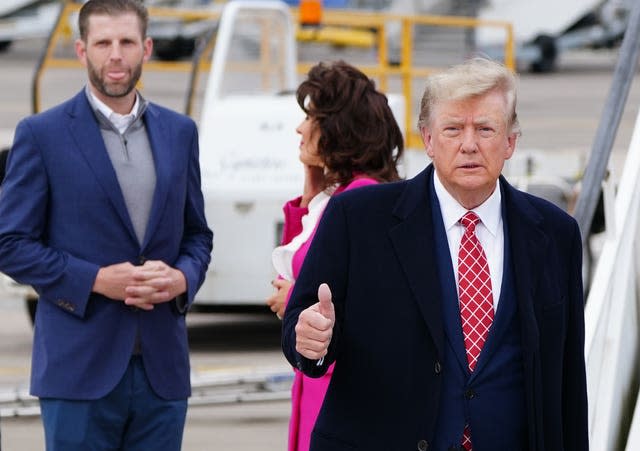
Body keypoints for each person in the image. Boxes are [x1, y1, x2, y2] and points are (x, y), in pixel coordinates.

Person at [282, 57, 588, 451]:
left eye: (485, 129)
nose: (469, 144)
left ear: (510, 141)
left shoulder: (554, 234)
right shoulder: (357, 219)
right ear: (427, 139)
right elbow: (302, 328)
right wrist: (309, 338)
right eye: (453, 129)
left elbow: (568, 380)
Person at [0, 0, 213, 449]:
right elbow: (10, 242)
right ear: (82, 51)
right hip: (78, 373)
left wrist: (182, 278)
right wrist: (95, 279)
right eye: (103, 43)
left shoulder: (180, 133)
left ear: (147, 48)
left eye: (126, 42)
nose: (115, 54)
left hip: (162, 373)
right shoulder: (42, 134)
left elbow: (197, 235)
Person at [267, 60, 404, 451]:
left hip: (340, 391)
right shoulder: (342, 195)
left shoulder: (361, 200)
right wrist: (309, 195)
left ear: (338, 127)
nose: (300, 128)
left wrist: (291, 298)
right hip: (316, 380)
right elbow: (302, 269)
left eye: (310, 117)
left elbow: (370, 304)